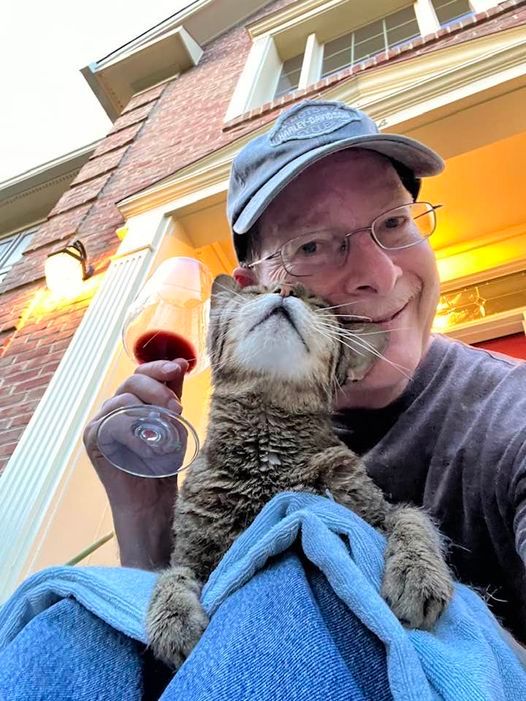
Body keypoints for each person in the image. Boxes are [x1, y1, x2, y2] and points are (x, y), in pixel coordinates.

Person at [83, 99, 526, 644]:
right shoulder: (214, 467)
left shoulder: (512, 417)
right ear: (245, 297)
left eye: (393, 221)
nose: (381, 275)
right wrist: (146, 524)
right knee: (59, 618)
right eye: (312, 245)